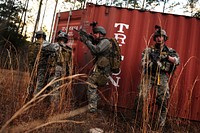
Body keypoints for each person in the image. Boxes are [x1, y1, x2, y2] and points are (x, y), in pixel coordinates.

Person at [133, 26, 180, 127]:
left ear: (165, 38)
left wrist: (167, 57)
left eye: (161, 36)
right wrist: (153, 64)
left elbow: (177, 61)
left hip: (162, 76)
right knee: (141, 96)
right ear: (155, 38)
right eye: (157, 36)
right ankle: (137, 119)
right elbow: (143, 63)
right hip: (149, 75)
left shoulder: (170, 51)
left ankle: (160, 122)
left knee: (162, 99)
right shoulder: (149, 50)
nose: (159, 38)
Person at [80, 26, 112, 113]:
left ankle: (93, 109)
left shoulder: (105, 42)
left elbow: (96, 50)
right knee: (92, 85)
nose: (94, 35)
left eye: (95, 33)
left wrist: (87, 42)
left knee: (91, 84)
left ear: (100, 34)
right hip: (100, 70)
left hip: (103, 71)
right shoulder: (102, 42)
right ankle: (94, 106)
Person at [27, 30, 47, 99]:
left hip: (32, 66)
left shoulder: (31, 45)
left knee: (32, 81)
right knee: (39, 83)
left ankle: (28, 96)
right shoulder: (45, 44)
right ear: (43, 36)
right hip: (41, 67)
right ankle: (35, 99)